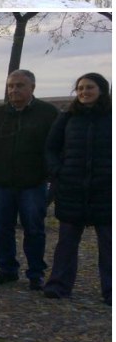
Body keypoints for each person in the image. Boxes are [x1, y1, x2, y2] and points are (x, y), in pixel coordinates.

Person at [0, 69, 60, 290]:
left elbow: (58, 146)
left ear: (32, 87)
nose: (14, 90)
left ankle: (35, 273)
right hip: (1, 183)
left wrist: (48, 173)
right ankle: (7, 269)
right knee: (2, 228)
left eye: (19, 85)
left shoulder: (48, 114)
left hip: (33, 184)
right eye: (11, 85)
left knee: (34, 229)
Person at [44, 73, 111, 305]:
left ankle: (110, 290)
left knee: (109, 244)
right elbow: (51, 148)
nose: (84, 92)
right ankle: (58, 285)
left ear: (101, 89)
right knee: (66, 242)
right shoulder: (67, 118)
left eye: (89, 87)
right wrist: (58, 171)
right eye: (80, 88)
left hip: (105, 190)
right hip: (72, 188)